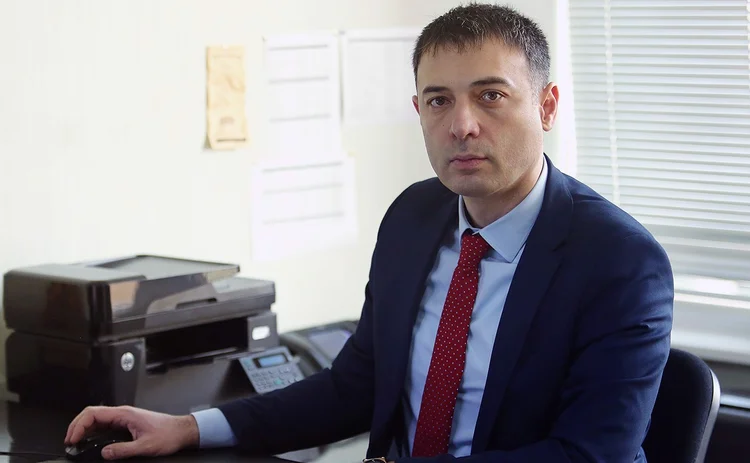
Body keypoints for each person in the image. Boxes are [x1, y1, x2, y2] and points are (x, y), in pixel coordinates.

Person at [64, 3, 674, 462]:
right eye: (438, 101)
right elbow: (352, 389)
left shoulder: (619, 262)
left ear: (545, 106)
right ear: (419, 112)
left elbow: (592, 454)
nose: (462, 125)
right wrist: (190, 427)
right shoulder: (414, 218)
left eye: (491, 96)